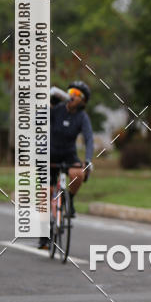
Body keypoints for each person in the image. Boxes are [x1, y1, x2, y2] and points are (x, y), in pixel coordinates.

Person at [37, 81, 94, 249]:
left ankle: (69, 200)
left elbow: (89, 139)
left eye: (77, 93)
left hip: (69, 154)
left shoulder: (82, 117)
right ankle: (43, 235)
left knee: (79, 174)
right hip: (49, 153)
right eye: (70, 91)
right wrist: (50, 104)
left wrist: (88, 159)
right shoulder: (57, 110)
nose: (72, 95)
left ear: (83, 101)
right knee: (46, 193)